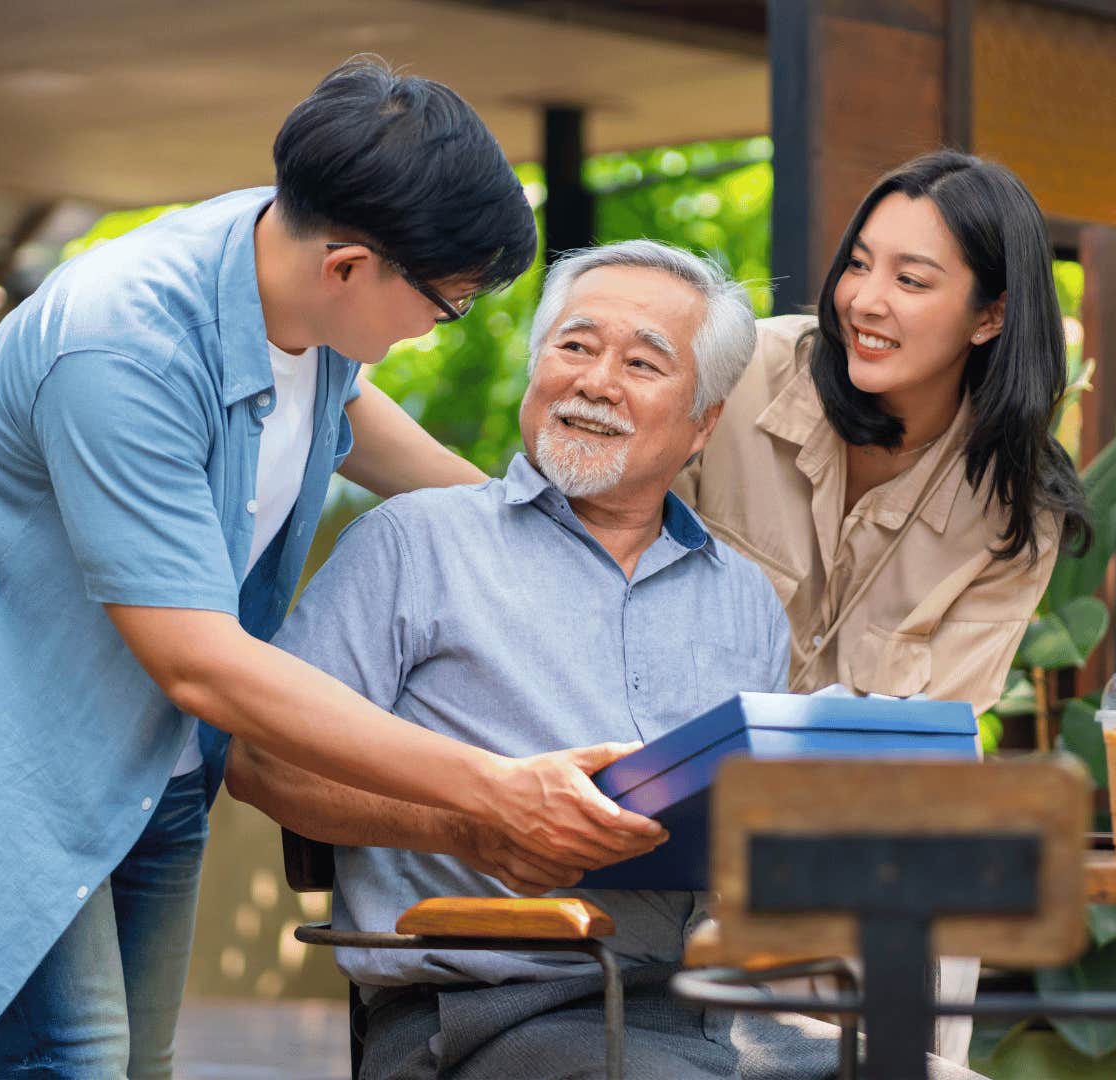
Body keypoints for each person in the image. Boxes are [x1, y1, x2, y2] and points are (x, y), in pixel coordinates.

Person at [0, 58, 660, 1077]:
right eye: (444, 306)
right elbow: (201, 663)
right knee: (77, 1061)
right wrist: (494, 790)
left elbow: (347, 409)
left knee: (141, 1064)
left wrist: (527, 531)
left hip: (155, 753)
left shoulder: (285, 254)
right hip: (13, 731)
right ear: (350, 267)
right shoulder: (124, 348)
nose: (432, 329)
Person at [226, 240, 985, 1080]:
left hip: (705, 1013)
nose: (595, 382)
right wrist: (470, 827)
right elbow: (262, 762)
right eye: (575, 346)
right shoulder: (415, 543)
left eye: (643, 363)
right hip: (479, 1015)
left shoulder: (742, 599)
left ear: (704, 422)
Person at [672, 150, 1091, 1064]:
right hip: (676, 809)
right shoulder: (743, 374)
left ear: (993, 315)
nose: (865, 298)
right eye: (859, 263)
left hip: (863, 840)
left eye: (911, 279)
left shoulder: (1018, 511)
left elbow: (933, 735)